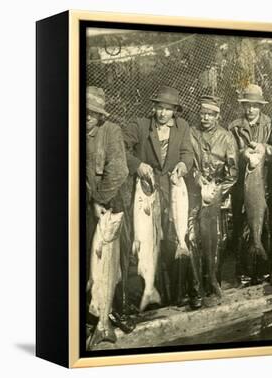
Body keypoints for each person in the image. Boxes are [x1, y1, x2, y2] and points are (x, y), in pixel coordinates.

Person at [123, 86, 195, 307]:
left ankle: (176, 293)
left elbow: (187, 153)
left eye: (168, 109)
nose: (163, 113)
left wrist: (183, 166)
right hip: (147, 191)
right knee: (148, 240)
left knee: (173, 239)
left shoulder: (182, 127)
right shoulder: (140, 126)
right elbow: (121, 148)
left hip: (172, 191)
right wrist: (137, 165)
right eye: (159, 108)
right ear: (154, 108)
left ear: (175, 111)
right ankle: (152, 292)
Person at [85, 86, 133, 334]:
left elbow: (119, 170)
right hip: (86, 206)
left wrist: (99, 200)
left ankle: (117, 311)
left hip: (111, 205)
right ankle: (90, 314)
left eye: (90, 115)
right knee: (90, 260)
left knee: (116, 261)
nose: (85, 119)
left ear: (100, 116)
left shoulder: (111, 131)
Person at [188, 95, 239, 299]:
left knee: (218, 238)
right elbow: (188, 161)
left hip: (218, 192)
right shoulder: (191, 133)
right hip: (195, 190)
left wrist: (218, 190)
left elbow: (233, 172)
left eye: (210, 114)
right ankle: (195, 287)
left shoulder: (226, 137)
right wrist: (198, 180)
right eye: (203, 113)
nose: (205, 118)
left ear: (217, 116)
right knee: (194, 238)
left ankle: (214, 281)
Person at [228, 84, 272, 286]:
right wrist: (242, 155)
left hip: (264, 183)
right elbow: (229, 154)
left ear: (260, 107)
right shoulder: (234, 127)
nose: (251, 110)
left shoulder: (268, 124)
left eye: (255, 106)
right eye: (247, 105)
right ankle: (244, 272)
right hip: (242, 184)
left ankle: (264, 270)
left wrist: (265, 149)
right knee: (241, 226)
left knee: (263, 225)